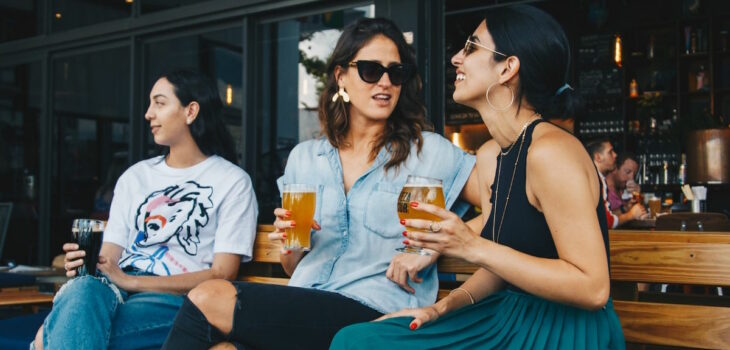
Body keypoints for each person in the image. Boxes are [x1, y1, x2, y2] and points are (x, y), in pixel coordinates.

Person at [161, 18, 480, 350]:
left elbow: (504, 204)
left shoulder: (427, 152)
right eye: (371, 70)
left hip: (376, 310)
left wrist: (433, 247)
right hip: (306, 301)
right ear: (341, 76)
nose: (385, 82)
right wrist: (291, 243)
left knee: (207, 296)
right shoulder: (305, 158)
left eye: (395, 73)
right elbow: (292, 266)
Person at [331, 5, 625, 349]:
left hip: (563, 328)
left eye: (471, 47)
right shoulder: (491, 155)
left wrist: (472, 246)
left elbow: (593, 289)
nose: (457, 58)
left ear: (507, 68)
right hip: (509, 315)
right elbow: (503, 268)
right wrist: (439, 308)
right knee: (356, 340)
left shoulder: (552, 153)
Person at [33, 69, 258, 350]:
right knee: (83, 288)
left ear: (191, 111)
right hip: (115, 291)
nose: (148, 114)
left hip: (177, 302)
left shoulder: (232, 182)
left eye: (159, 103)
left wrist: (134, 282)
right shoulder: (135, 177)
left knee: (51, 337)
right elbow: (109, 257)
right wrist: (87, 264)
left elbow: (223, 274)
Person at [587, 138, 646, 227]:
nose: (615, 155)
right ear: (598, 157)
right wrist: (631, 215)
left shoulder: (597, 177)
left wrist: (627, 208)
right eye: (610, 152)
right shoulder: (595, 179)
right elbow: (607, 222)